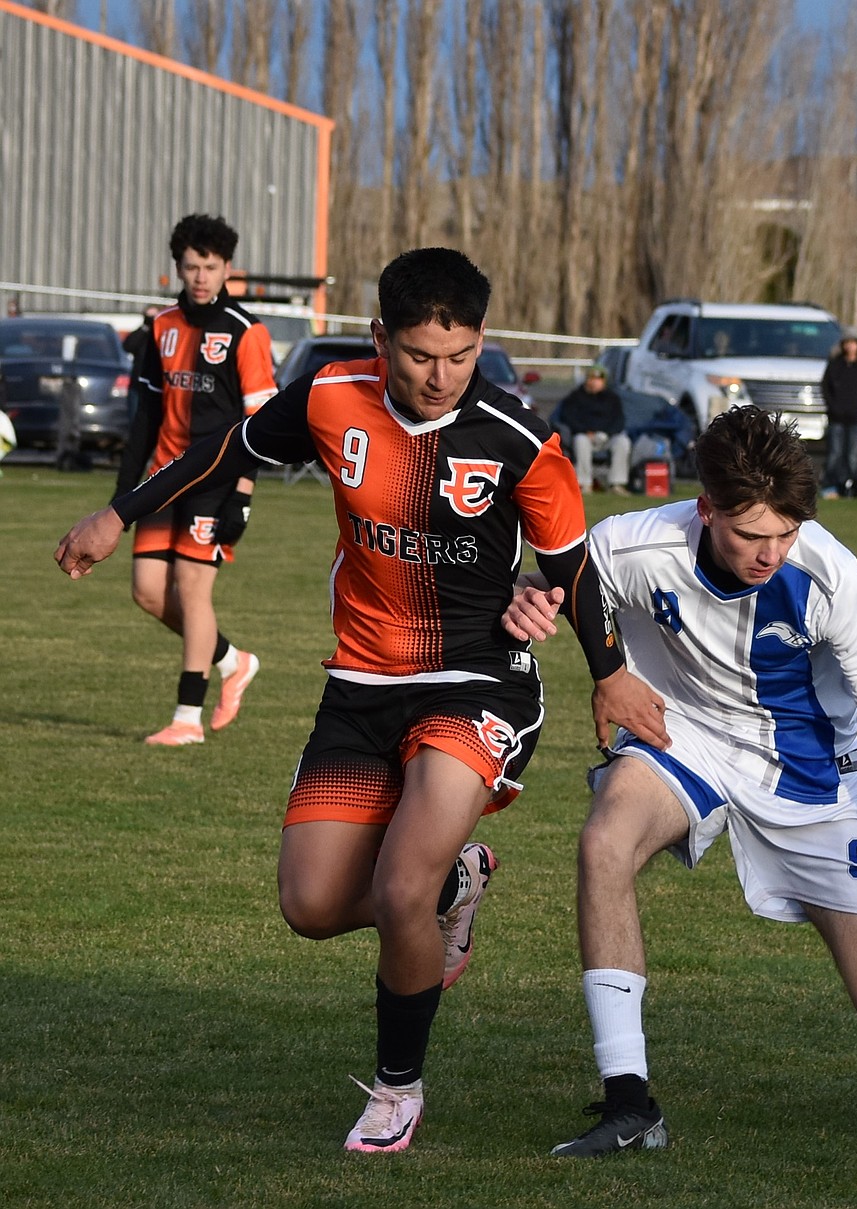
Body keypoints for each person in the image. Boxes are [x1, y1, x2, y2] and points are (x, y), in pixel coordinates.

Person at [56, 246, 670, 1155]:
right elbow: (223, 451)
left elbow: (571, 568)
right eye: (420, 355)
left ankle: (396, 1089)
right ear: (382, 337)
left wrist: (610, 669)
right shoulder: (331, 393)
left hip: (478, 681)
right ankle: (460, 883)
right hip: (360, 683)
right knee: (309, 904)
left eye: (459, 357)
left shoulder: (519, 437)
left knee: (398, 885)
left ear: (481, 343)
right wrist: (119, 513)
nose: (439, 376)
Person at [503, 406, 857, 1157]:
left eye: (785, 533)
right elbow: (566, 583)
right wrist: (531, 593)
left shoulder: (830, 575)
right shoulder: (640, 542)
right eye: (752, 534)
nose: (771, 553)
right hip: (684, 737)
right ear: (706, 508)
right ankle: (630, 1103)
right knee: (604, 842)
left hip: (812, 781)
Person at [114, 214, 277, 744]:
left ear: (228, 268)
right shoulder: (161, 327)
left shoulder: (246, 332)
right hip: (163, 478)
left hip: (215, 482)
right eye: (191, 266)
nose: (201, 276)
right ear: (178, 269)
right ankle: (233, 659)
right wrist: (123, 492)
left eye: (210, 266)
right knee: (145, 592)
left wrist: (244, 494)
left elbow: (260, 425)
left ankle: (187, 720)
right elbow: (145, 416)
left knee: (192, 589)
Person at [554, 363, 632, 494]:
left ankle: (616, 484)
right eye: (591, 379)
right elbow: (568, 418)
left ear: (604, 381)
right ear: (586, 380)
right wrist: (585, 431)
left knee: (623, 442)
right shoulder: (575, 397)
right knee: (580, 440)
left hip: (608, 436)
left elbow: (619, 420)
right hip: (586, 436)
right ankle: (584, 484)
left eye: (598, 380)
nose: (594, 382)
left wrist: (608, 432)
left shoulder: (612, 398)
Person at [820, 327, 857, 498]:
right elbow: (825, 388)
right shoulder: (835, 366)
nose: (851, 347)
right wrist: (833, 406)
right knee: (835, 454)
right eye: (848, 343)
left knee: (852, 455)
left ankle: (852, 487)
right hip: (836, 417)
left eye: (854, 344)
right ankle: (830, 485)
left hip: (855, 417)